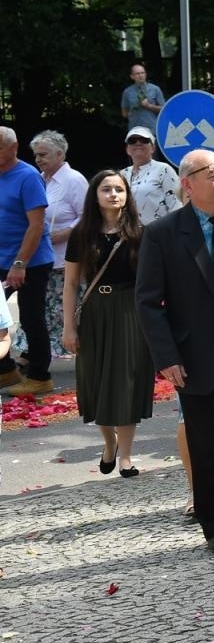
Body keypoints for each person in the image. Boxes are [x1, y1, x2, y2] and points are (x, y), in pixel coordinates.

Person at [137, 150, 214, 552]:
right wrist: (167, 357)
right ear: (187, 183)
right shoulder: (164, 233)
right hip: (197, 355)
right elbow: (149, 302)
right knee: (207, 445)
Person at [64, 169, 153, 477]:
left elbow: (149, 281)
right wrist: (68, 326)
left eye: (119, 189)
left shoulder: (139, 232)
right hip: (94, 310)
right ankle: (109, 443)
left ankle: (126, 456)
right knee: (97, 380)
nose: (114, 194)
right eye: (106, 189)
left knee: (126, 381)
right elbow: (71, 283)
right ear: (95, 195)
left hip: (129, 310)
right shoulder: (82, 233)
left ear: (127, 195)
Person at [0, 127, 56, 396]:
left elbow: (36, 226)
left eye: (0, 147)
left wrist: (19, 264)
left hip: (30, 260)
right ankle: (5, 369)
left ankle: (39, 376)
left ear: (14, 147)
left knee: (32, 317)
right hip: (1, 256)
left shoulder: (28, 176)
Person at [32, 131, 86, 361]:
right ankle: (35, 354)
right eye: (35, 155)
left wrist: (64, 234)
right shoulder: (37, 179)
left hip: (67, 258)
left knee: (68, 310)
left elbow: (88, 216)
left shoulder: (74, 179)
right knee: (44, 311)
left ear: (60, 154)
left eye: (43, 155)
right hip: (42, 258)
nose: (38, 160)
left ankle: (82, 351)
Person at [120, 127, 181, 224]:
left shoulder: (163, 169)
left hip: (159, 232)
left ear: (153, 148)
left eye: (144, 140)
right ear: (127, 149)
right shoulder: (122, 174)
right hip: (130, 233)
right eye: (132, 140)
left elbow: (176, 204)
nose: (138, 143)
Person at [120, 63, 166, 133]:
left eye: (142, 73)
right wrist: (133, 112)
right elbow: (124, 113)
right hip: (134, 130)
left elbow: (164, 109)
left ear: (146, 74)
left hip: (152, 130)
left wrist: (149, 106)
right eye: (137, 74)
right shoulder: (127, 92)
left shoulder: (155, 89)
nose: (140, 75)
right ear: (132, 76)